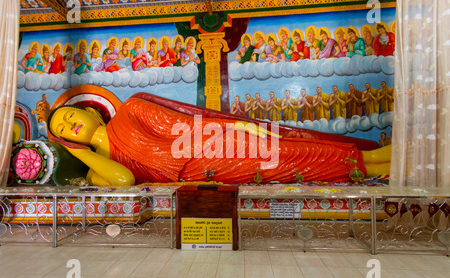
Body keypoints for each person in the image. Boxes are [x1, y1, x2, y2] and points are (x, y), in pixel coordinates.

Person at [47, 93, 391, 186]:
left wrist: (238, 131)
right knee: (286, 167)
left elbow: (184, 125)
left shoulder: (131, 111)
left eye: (69, 115)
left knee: (286, 151)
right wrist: (78, 150)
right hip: (199, 174)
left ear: (94, 111)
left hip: (210, 146)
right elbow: (124, 179)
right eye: (61, 128)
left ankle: (381, 158)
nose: (67, 124)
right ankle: (375, 163)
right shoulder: (99, 170)